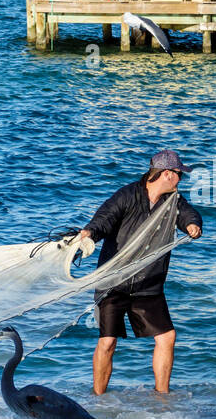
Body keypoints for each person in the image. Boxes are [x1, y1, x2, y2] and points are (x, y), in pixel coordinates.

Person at [77, 150, 202, 396]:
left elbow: (188, 213)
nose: (181, 180)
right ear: (167, 174)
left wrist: (192, 224)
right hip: (113, 283)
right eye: (180, 175)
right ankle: (98, 399)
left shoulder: (174, 201)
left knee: (167, 337)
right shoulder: (127, 196)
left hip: (148, 284)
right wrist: (89, 233)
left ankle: (162, 397)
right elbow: (104, 220)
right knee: (108, 341)